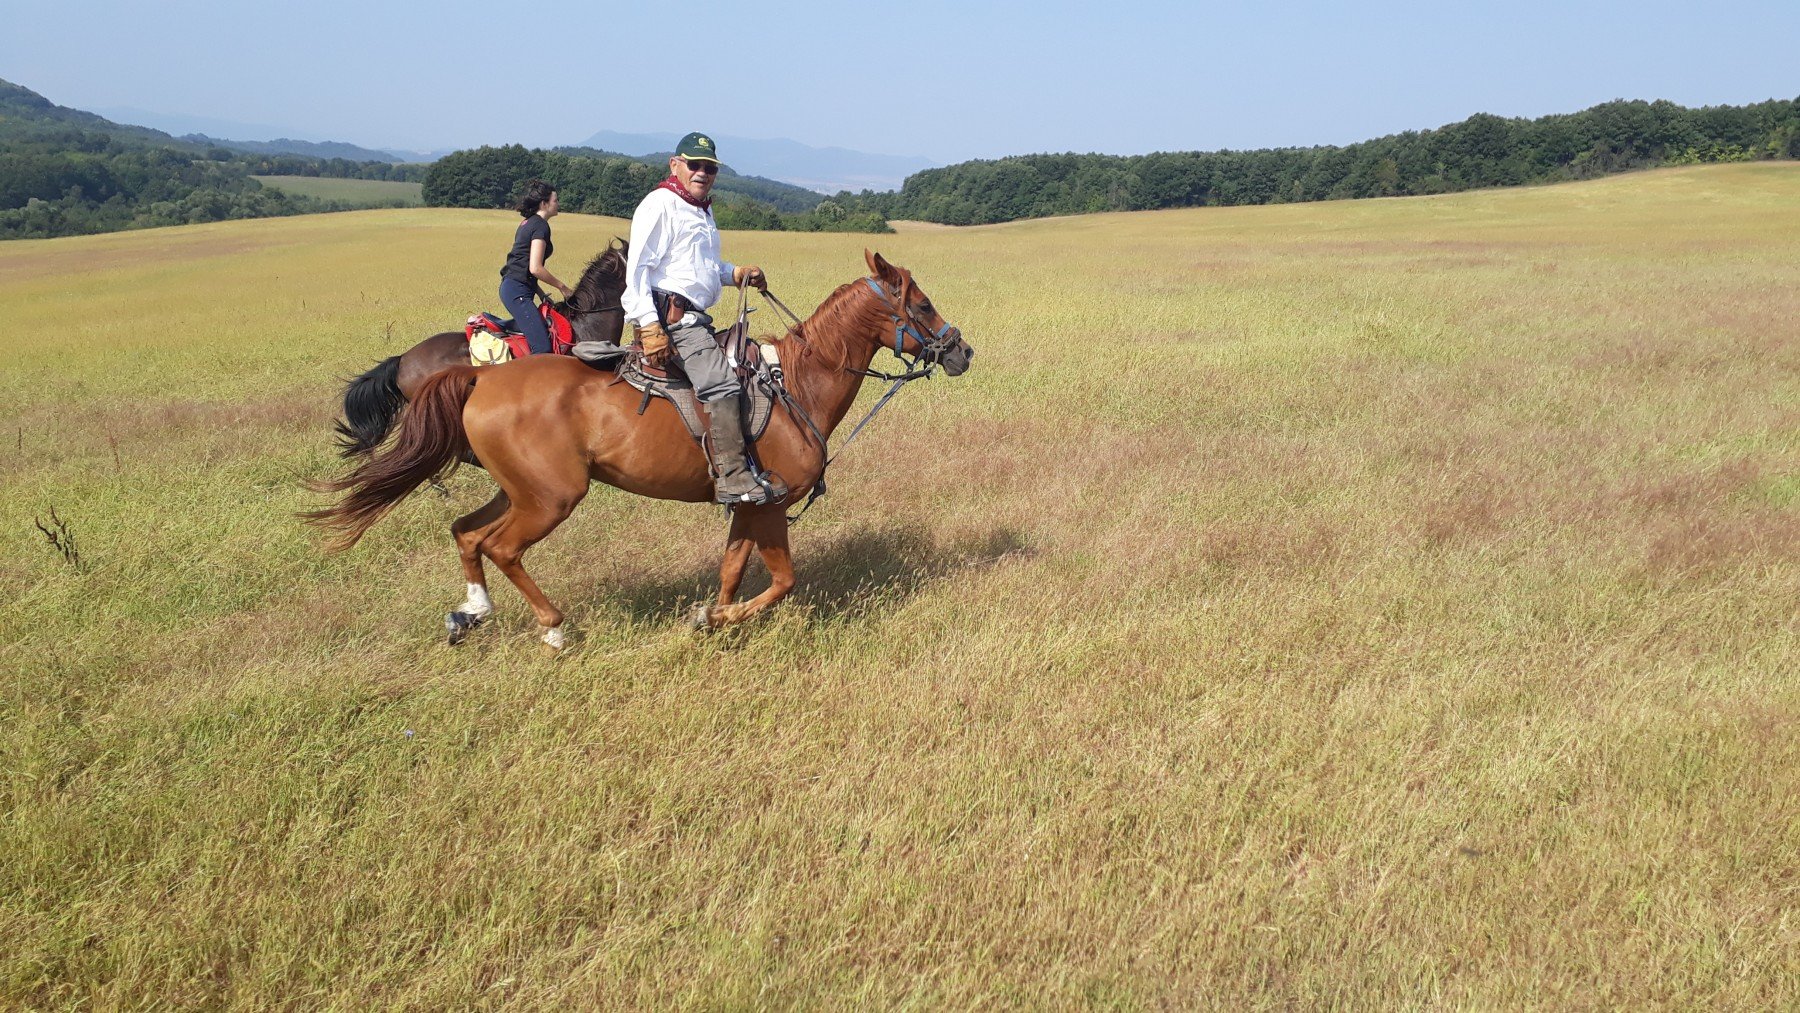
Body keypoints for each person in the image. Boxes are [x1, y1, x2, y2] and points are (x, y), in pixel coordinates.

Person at [623, 132, 784, 506]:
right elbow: (637, 270)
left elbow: (702, 268)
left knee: (750, 365)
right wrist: (649, 325)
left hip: (696, 318)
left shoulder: (700, 208)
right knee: (723, 384)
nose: (702, 173)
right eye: (694, 165)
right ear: (674, 165)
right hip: (672, 322)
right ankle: (733, 478)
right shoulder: (659, 204)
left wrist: (737, 272)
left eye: (709, 167)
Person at [498, 179, 573, 355]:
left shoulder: (527, 222)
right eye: (555, 200)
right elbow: (535, 268)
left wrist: (539, 292)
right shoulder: (540, 226)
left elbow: (522, 264)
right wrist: (563, 288)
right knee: (542, 348)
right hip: (517, 291)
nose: (558, 204)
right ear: (544, 203)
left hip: (514, 287)